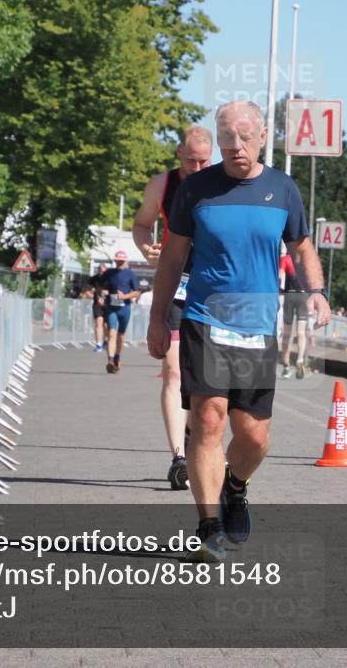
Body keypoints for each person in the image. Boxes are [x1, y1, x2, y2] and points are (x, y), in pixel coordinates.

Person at [147, 100, 331, 561]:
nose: (236, 148)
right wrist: (157, 315)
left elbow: (303, 247)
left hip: (255, 326)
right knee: (207, 420)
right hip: (204, 319)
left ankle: (236, 486)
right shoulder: (196, 190)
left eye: (245, 138)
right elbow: (172, 257)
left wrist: (317, 291)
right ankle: (209, 526)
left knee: (253, 437)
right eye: (227, 141)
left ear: (264, 135)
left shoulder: (283, 190)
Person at [132, 125, 213, 490]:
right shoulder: (161, 185)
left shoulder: (222, 182)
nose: (198, 167)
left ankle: (199, 435)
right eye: (191, 160)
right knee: (173, 369)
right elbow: (141, 224)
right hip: (176, 282)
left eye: (205, 161)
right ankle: (179, 457)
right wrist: (145, 247)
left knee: (209, 377)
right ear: (179, 152)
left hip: (213, 287)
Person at [103, 250, 139, 373]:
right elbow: (100, 286)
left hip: (125, 308)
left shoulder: (130, 274)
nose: (119, 263)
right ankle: (110, 361)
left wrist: (125, 296)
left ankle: (117, 356)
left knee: (121, 335)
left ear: (125, 260)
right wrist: (101, 293)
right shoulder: (109, 273)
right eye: (117, 260)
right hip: (111, 307)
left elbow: (137, 292)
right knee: (111, 333)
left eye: (121, 261)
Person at [278, 251, 309, 378]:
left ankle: (286, 366)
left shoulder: (285, 259)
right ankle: (300, 359)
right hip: (303, 296)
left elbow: (280, 276)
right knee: (301, 332)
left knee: (287, 334)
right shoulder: (306, 260)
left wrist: (279, 290)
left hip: (290, 296)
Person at [89, 263, 109, 351]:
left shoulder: (110, 279)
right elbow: (87, 290)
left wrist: (108, 293)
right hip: (97, 304)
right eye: (100, 270)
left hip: (108, 304)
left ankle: (106, 340)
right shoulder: (94, 279)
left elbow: (115, 290)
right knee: (99, 321)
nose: (101, 272)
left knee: (106, 325)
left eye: (103, 271)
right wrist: (93, 295)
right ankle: (98, 344)